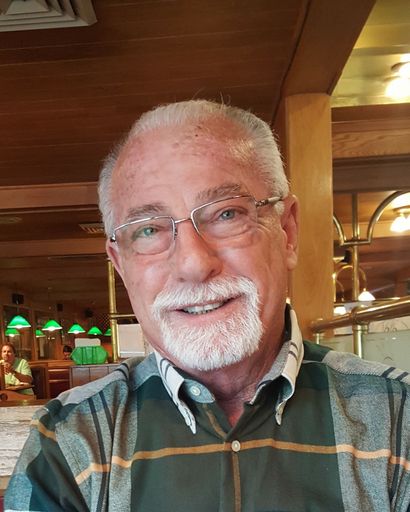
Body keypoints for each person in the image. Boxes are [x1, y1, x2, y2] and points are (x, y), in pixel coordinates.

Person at [5, 100, 410, 511]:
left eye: (226, 214)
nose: (194, 264)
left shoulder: (400, 418)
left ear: (287, 231)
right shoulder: (68, 440)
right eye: (148, 230)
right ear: (120, 264)